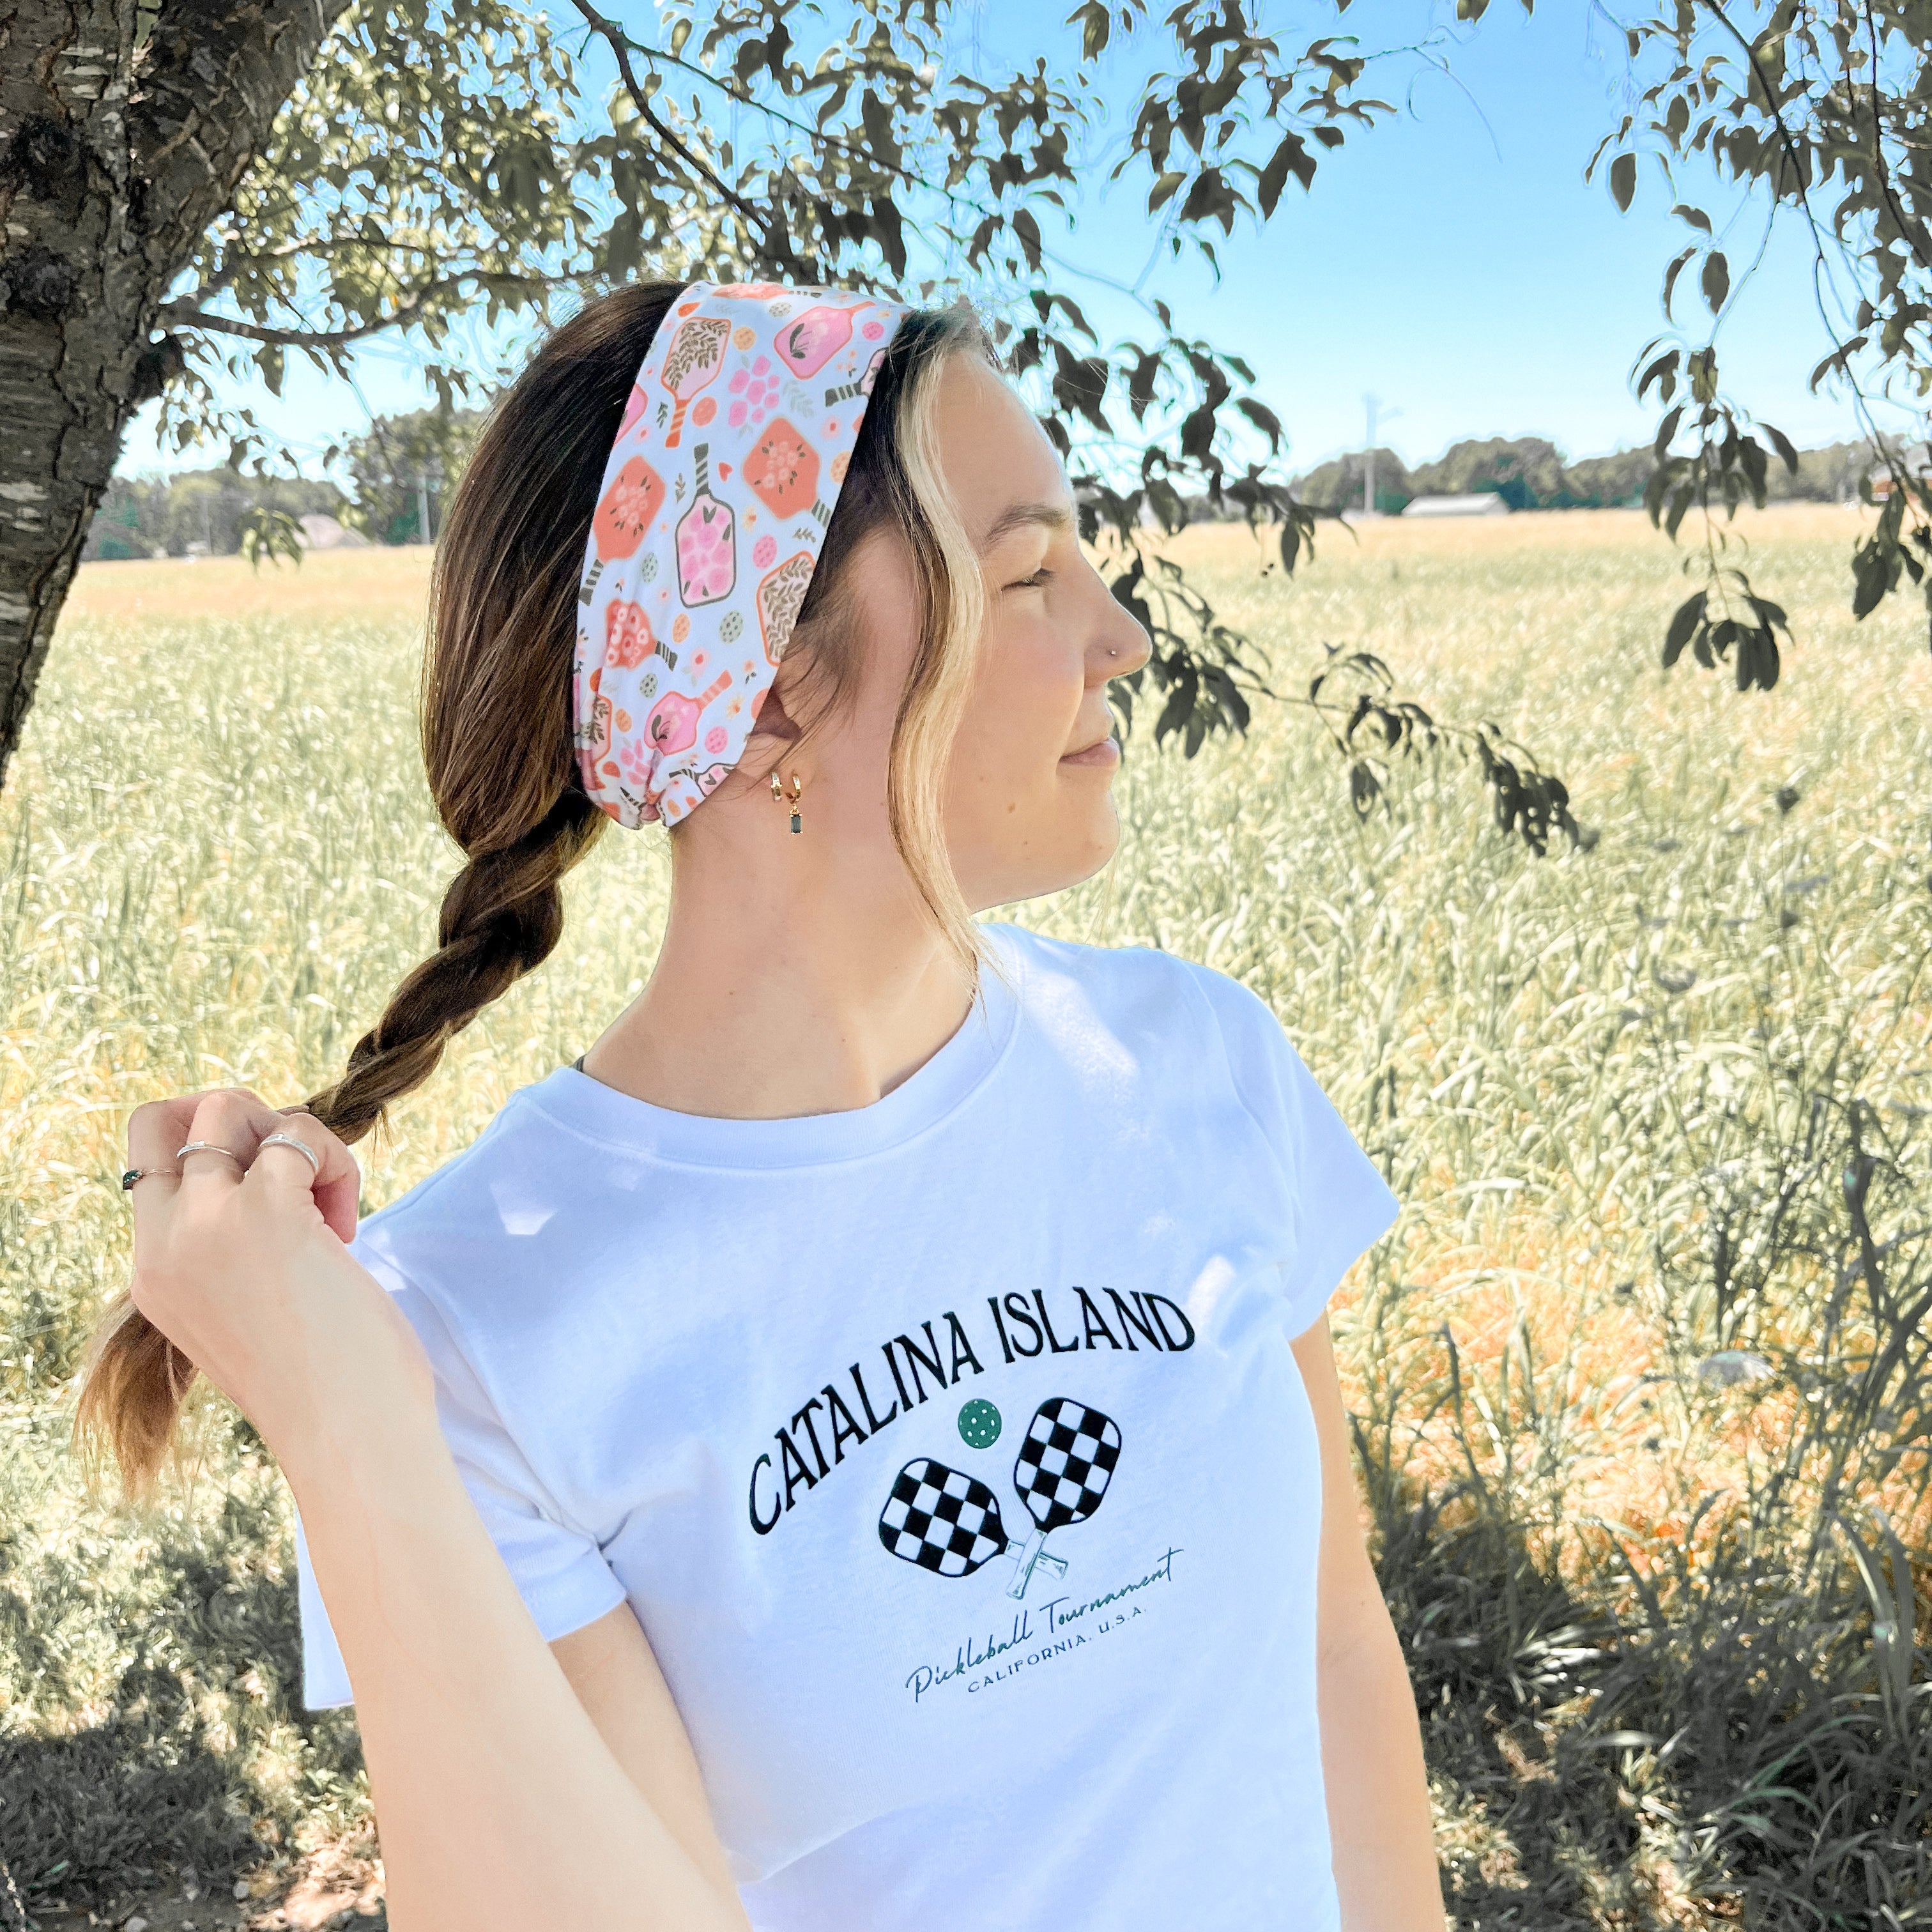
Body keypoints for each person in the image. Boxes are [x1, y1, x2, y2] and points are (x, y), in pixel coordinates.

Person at [79, 278, 1445, 1931]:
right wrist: (344, 1424)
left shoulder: (1201, 1066)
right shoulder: (472, 1337)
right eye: (1027, 573)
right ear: (777, 683)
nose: (1123, 637)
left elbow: (1333, 1650)